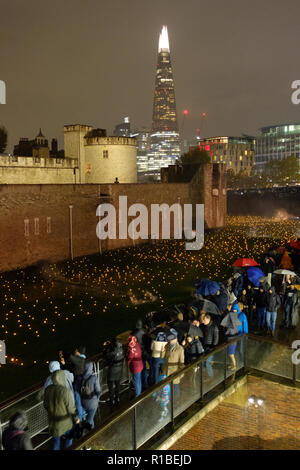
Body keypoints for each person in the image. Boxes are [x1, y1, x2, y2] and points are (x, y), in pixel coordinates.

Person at [43, 370, 79, 450]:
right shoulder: (65, 391)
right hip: (65, 422)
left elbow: (45, 405)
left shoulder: (48, 389)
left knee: (56, 442)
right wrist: (76, 419)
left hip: (53, 422)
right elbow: (71, 408)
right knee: (69, 439)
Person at [61, 346, 86, 422]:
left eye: (76, 351)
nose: (75, 352)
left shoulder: (80, 360)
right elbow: (71, 367)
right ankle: (83, 415)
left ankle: (80, 418)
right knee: (79, 399)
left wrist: (63, 352)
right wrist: (64, 364)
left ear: (79, 352)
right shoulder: (81, 359)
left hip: (78, 382)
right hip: (78, 381)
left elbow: (70, 357)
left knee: (77, 399)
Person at [161, 329, 185, 398]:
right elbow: (163, 357)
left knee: (176, 390)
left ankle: (176, 403)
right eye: (169, 340)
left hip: (175, 373)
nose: (170, 341)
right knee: (167, 391)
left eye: (171, 339)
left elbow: (182, 363)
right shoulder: (167, 345)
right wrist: (162, 352)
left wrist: (180, 375)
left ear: (176, 339)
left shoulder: (180, 349)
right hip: (166, 373)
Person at [131, 319, 151, 389]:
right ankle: (145, 384)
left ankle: (141, 386)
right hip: (145, 352)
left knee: (140, 370)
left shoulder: (133, 333)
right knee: (144, 369)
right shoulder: (144, 331)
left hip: (138, 354)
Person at [105, 338, 125, 406]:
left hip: (112, 371)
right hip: (119, 370)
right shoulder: (122, 349)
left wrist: (107, 346)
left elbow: (106, 356)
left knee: (111, 387)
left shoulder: (112, 352)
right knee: (117, 385)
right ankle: (118, 397)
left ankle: (112, 400)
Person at [80, 362, 101, 429]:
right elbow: (98, 391)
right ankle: (91, 434)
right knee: (90, 419)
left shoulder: (80, 378)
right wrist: (97, 399)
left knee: (87, 419)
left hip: (83, 402)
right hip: (92, 403)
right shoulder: (94, 378)